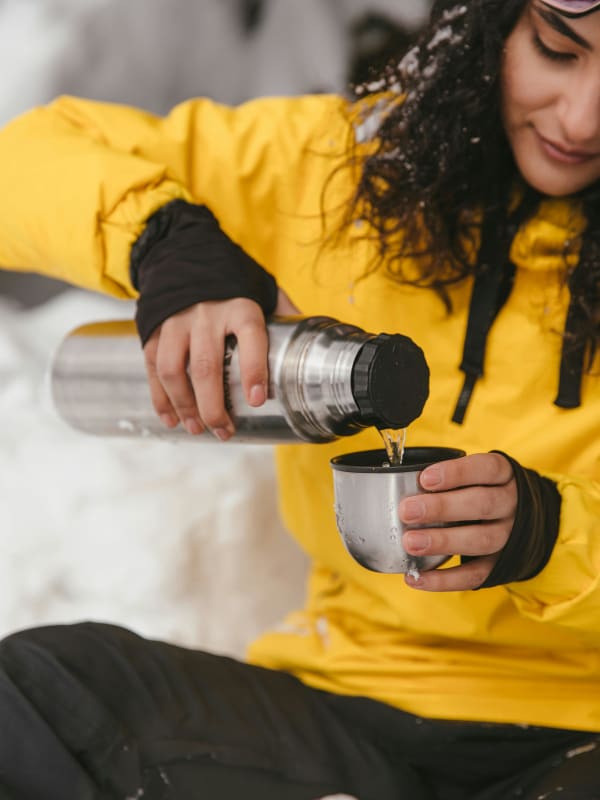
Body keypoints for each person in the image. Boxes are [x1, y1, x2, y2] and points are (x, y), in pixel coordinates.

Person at [0, 0, 599, 797]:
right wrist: (164, 237)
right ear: (490, 29)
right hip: (340, 710)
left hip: (579, 732)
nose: (583, 118)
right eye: (559, 50)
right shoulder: (338, 172)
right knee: (39, 695)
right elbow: (23, 159)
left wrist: (549, 533)